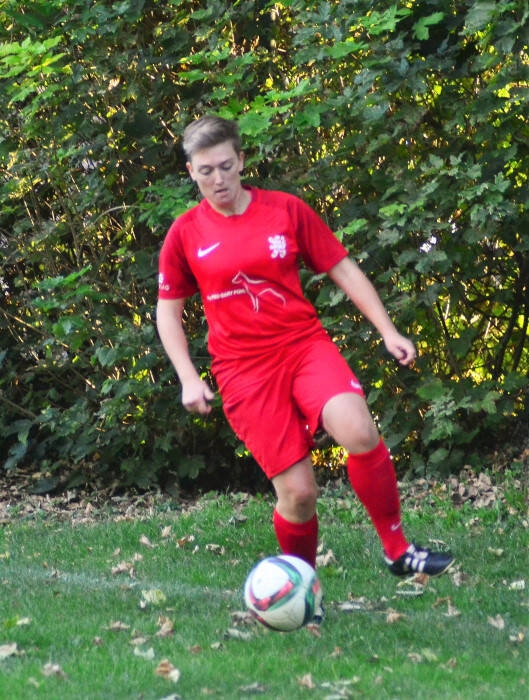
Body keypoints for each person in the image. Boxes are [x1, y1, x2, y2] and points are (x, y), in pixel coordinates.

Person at [156, 115, 454, 601]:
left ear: (241, 161)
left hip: (302, 345)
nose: (218, 179)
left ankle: (398, 549)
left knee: (359, 431)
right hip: (243, 370)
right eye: (205, 171)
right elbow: (168, 311)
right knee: (299, 495)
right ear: (191, 172)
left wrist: (388, 330)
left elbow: (342, 267)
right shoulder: (185, 233)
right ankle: (301, 589)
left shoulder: (285, 210)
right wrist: (189, 377)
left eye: (226, 166)